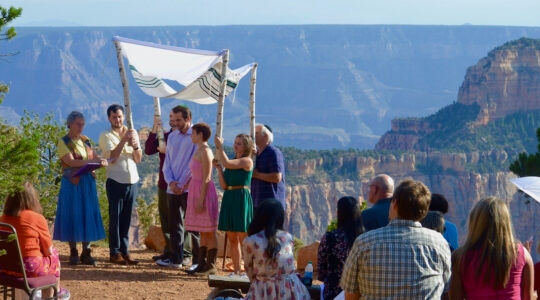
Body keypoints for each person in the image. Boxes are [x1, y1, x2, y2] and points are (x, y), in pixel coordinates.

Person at [341, 179, 451, 299]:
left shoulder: (364, 242)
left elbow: (351, 293)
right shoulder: (440, 243)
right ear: (424, 211)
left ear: (395, 204)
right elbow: (445, 286)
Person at [449, 197, 534, 299]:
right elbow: (528, 297)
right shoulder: (523, 254)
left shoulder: (459, 258)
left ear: (474, 222)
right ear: (506, 222)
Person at [53, 111, 107, 266]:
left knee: (87, 214)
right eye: (78, 123)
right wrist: (91, 163)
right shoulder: (63, 141)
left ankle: (86, 251)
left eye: (83, 124)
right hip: (72, 183)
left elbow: (93, 157)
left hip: (87, 182)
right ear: (70, 124)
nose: (81, 127)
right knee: (73, 213)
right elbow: (70, 162)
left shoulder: (86, 140)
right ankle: (73, 251)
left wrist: (101, 161)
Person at [0, 181, 71, 299]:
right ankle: (56, 292)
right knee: (53, 255)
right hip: (28, 268)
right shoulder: (37, 218)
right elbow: (48, 250)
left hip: (5, 267)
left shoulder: (3, 219)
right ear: (32, 198)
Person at [98, 104, 142, 265]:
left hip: (132, 180)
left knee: (126, 217)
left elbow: (138, 158)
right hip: (115, 180)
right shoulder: (105, 135)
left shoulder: (132, 133)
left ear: (124, 116)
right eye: (114, 117)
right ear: (109, 118)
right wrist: (124, 140)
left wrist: (135, 144)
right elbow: (113, 157)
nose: (118, 119)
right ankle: (114, 251)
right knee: (115, 217)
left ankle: (125, 250)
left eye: (120, 116)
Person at [242, 198, 310, 300]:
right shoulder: (288, 237)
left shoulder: (251, 241)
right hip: (292, 290)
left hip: (264, 290)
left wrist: (259, 283)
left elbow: (249, 268)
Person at [157, 105, 199, 269]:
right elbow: (167, 163)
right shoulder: (172, 137)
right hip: (172, 187)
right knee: (175, 224)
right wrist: (171, 182)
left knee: (193, 225)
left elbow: (194, 163)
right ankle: (176, 259)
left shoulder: (195, 137)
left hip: (188, 188)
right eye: (173, 120)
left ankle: (196, 261)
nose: (174, 123)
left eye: (178, 120)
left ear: (188, 119)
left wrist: (182, 184)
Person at [214, 133, 254, 277]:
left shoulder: (247, 161)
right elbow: (225, 185)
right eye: (235, 142)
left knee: (243, 237)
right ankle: (237, 270)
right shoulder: (232, 161)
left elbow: (227, 164)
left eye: (239, 143)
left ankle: (249, 270)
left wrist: (219, 146)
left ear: (246, 146)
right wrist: (218, 170)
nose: (236, 145)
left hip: (241, 199)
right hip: (229, 197)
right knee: (232, 237)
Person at [185, 122, 219, 276]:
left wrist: (201, 199)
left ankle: (210, 265)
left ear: (200, 135)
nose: (191, 135)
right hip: (196, 190)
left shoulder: (205, 151)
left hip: (203, 193)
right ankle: (201, 263)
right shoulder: (199, 150)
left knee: (210, 231)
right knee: (203, 231)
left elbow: (206, 177)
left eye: (193, 133)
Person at [317, 196, 365, 300]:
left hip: (333, 292)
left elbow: (321, 271)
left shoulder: (330, 237)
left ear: (340, 213)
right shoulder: (366, 239)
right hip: (360, 292)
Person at [144, 111, 175, 262]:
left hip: (178, 184)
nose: (172, 121)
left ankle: (182, 252)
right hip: (164, 182)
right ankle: (168, 250)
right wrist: (154, 130)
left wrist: (167, 150)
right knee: (165, 218)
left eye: (175, 119)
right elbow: (149, 150)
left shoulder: (187, 138)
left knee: (178, 220)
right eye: (170, 118)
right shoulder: (165, 136)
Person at [251, 124, 286, 210]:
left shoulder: (273, 153)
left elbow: (277, 177)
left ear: (265, 136)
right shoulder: (257, 155)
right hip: (257, 202)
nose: (253, 136)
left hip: (271, 204)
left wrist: (257, 175)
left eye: (256, 133)